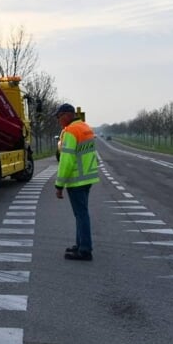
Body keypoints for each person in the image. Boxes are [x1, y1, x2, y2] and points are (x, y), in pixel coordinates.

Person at [53, 103, 100, 261]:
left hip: (77, 179)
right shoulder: (85, 127)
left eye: (59, 117)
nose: (59, 120)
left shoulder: (71, 131)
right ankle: (80, 244)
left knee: (81, 215)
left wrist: (59, 185)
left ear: (67, 115)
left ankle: (85, 249)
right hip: (87, 177)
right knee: (81, 214)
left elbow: (66, 160)